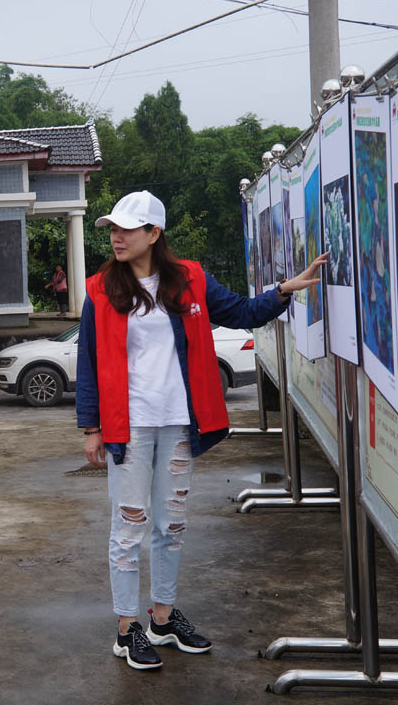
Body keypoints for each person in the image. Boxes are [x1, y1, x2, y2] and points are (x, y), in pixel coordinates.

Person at [75, 191, 326, 671]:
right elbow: (87, 361)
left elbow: (241, 313)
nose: (116, 236)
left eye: (127, 228)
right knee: (128, 530)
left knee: (171, 526)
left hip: (176, 424)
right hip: (128, 427)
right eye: (113, 228)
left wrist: (285, 290)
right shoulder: (99, 289)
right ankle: (127, 630)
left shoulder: (190, 278)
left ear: (154, 234)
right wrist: (91, 428)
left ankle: (163, 619)